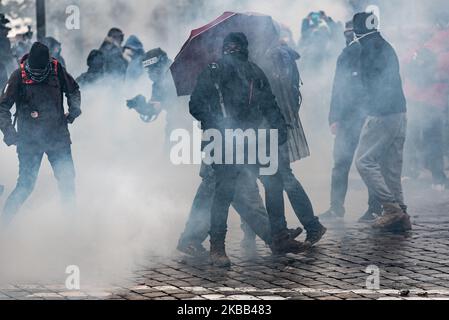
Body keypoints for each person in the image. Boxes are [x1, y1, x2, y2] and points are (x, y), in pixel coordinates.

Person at [190, 32, 307, 267]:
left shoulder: (254, 72)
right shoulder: (213, 71)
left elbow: (269, 103)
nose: (234, 52)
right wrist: (215, 124)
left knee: (273, 182)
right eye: (231, 48)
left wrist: (278, 125)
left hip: (253, 140)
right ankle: (217, 247)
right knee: (223, 192)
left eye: (237, 48)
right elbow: (195, 105)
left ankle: (279, 235)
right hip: (224, 141)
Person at [0, 42, 81, 224]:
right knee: (26, 185)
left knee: (67, 180)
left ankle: (72, 227)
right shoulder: (18, 76)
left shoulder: (56, 68)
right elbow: (2, 107)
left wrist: (74, 109)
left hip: (58, 136)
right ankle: (3, 225)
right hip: (29, 140)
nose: (37, 76)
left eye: (41, 72)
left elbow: (74, 89)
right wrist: (9, 132)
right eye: (34, 73)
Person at [261, 32, 326, 245]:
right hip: (278, 124)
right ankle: (281, 230)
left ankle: (311, 225)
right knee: (274, 179)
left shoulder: (272, 59)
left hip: (274, 126)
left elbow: (271, 96)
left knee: (283, 177)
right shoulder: (281, 56)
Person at [352, 13, 411, 232]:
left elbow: (370, 83)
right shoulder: (385, 45)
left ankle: (391, 208)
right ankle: (401, 213)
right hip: (399, 111)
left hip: (382, 113)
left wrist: (368, 108)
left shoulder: (368, 48)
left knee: (364, 162)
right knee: (391, 167)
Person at [321, 21, 382, 222]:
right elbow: (337, 88)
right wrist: (334, 118)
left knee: (368, 163)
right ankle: (336, 207)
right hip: (346, 119)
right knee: (340, 163)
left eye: (352, 32)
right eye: (346, 33)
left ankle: (375, 207)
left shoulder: (370, 52)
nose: (349, 36)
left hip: (366, 116)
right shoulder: (345, 54)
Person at [126, 48, 191, 145]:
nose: (150, 73)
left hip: (192, 123)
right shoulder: (157, 85)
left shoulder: (181, 73)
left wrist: (166, 104)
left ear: (161, 64)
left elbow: (191, 101)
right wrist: (140, 106)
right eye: (148, 70)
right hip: (174, 125)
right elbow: (154, 109)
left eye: (152, 68)